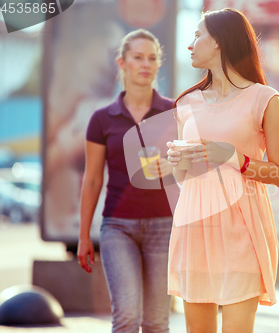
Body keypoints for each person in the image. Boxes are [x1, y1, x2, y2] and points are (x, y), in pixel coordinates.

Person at [166, 8, 279, 333]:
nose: (190, 44)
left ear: (219, 41)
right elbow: (184, 179)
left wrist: (232, 157)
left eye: (197, 35)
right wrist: (179, 164)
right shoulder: (186, 104)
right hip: (194, 226)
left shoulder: (264, 99)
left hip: (242, 230)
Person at [77, 29, 175, 333]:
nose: (145, 64)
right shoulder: (102, 119)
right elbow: (92, 180)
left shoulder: (174, 112)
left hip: (165, 225)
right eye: (137, 57)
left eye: (152, 58)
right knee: (126, 317)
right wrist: (83, 236)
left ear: (159, 64)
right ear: (122, 63)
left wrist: (173, 164)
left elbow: (192, 165)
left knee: (157, 322)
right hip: (118, 227)